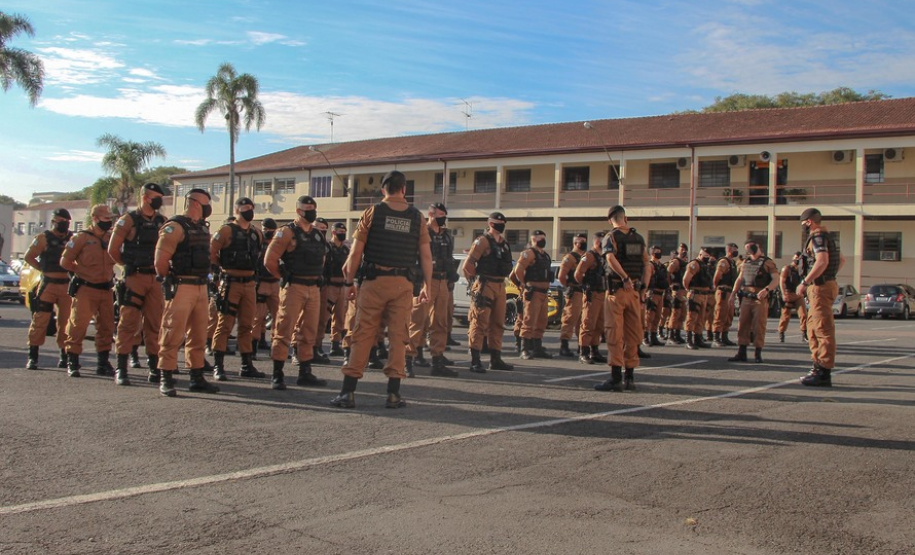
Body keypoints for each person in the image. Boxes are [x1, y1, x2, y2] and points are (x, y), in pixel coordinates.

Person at [330, 171, 433, 408]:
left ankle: (348, 393)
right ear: (404, 189)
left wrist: (349, 283)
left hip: (374, 282)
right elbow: (426, 256)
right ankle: (394, 394)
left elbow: (355, 254)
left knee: (363, 334)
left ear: (383, 190)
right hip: (403, 285)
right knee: (399, 337)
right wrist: (427, 285)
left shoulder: (373, 212)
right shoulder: (417, 217)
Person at [155, 188, 219, 396]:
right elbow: (161, 262)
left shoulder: (201, 227)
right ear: (194, 203)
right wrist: (172, 281)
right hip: (181, 286)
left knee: (199, 334)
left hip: (201, 287)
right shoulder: (175, 227)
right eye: (206, 202)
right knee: (172, 332)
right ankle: (166, 376)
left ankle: (196, 376)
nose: (209, 206)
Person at [264, 196, 329, 390]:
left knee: (308, 331)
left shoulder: (318, 234)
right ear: (298, 211)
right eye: (307, 208)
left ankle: (305, 372)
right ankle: (277, 374)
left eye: (313, 208)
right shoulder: (286, 232)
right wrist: (285, 278)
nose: (311, 211)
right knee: (284, 329)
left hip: (313, 288)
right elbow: (269, 260)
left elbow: (322, 259)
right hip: (294, 288)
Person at [108, 183, 166, 385]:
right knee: (128, 323)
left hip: (155, 279)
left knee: (155, 324)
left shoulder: (162, 221)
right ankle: (121, 368)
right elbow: (113, 250)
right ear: (146, 197)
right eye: (156, 196)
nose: (160, 200)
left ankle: (153, 368)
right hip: (134, 277)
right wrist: (128, 265)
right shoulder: (128, 220)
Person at [595, 205, 650, 391]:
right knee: (633, 334)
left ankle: (616, 378)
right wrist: (642, 288)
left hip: (617, 291)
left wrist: (624, 277)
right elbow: (647, 265)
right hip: (634, 292)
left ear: (611, 219)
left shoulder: (610, 237)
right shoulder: (638, 238)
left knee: (614, 333)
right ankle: (630, 378)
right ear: (625, 218)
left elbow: (610, 258)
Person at [210, 197, 264, 380]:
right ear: (236, 209)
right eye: (244, 207)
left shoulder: (257, 233)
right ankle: (218, 365)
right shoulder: (227, 230)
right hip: (231, 282)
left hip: (249, 283)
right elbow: (211, 251)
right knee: (225, 324)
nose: (248, 210)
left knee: (247, 325)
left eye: (250, 207)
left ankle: (246, 365)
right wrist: (221, 267)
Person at [60, 204, 116, 378]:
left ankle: (103, 362)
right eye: (106, 219)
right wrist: (81, 272)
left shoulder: (110, 238)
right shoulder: (81, 238)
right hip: (86, 288)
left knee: (106, 327)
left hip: (106, 289)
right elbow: (65, 261)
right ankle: (73, 361)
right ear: (95, 218)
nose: (109, 222)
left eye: (110, 219)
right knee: (78, 326)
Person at [406, 203, 458, 377]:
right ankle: (407, 361)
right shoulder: (420, 232)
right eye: (440, 214)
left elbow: (449, 258)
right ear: (430, 214)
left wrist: (451, 276)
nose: (443, 217)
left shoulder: (446, 235)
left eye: (444, 214)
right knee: (417, 321)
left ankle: (437, 361)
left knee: (440, 323)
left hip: (443, 281)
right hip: (425, 282)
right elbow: (413, 258)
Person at [797, 208, 844, 387]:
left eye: (803, 223)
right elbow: (840, 260)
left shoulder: (817, 237)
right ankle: (817, 367)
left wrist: (806, 281)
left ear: (809, 221)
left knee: (822, 329)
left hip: (819, 287)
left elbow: (822, 260)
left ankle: (823, 371)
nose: (802, 226)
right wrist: (829, 276)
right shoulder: (827, 237)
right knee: (813, 328)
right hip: (824, 284)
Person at [463, 212, 515, 373]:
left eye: (503, 222)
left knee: (498, 323)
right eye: (498, 222)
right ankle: (475, 360)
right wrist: (474, 284)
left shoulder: (504, 243)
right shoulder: (482, 241)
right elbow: (468, 265)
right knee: (479, 322)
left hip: (500, 285)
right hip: (485, 284)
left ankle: (495, 358)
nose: (501, 224)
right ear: (491, 223)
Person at [24, 208, 73, 370]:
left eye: (66, 222)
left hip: (66, 284)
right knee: (40, 320)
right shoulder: (44, 238)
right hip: (48, 285)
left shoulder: (72, 239)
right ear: (53, 222)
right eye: (61, 222)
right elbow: (28, 256)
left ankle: (64, 356)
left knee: (66, 322)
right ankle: (33, 356)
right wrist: (42, 269)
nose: (64, 225)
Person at [728, 241, 779, 364]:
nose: (749, 250)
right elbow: (740, 278)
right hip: (746, 297)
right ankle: (742, 352)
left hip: (759, 298)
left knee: (759, 325)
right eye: (747, 248)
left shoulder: (767, 262)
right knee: (743, 324)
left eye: (751, 247)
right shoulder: (745, 262)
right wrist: (733, 293)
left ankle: (758, 353)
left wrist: (767, 289)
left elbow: (776, 279)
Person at [511, 230, 553, 360]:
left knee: (542, 321)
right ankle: (524, 348)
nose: (543, 239)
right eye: (540, 237)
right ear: (534, 239)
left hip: (544, 293)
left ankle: (537, 348)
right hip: (533, 292)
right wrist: (523, 284)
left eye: (544, 237)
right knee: (528, 320)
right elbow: (517, 271)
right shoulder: (528, 253)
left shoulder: (545, 255)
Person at [573, 231, 608, 364]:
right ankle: (584, 352)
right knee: (588, 323)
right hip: (592, 293)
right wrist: (586, 285)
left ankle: (595, 350)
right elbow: (578, 274)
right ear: (598, 242)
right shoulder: (589, 256)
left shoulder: (602, 257)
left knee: (599, 324)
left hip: (602, 293)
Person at [252, 218, 280, 358]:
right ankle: (253, 349)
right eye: (265, 229)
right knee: (257, 317)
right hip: (261, 283)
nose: (268, 232)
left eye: (271, 230)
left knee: (278, 318)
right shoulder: (258, 244)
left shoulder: (278, 244)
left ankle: (276, 350)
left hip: (275, 283)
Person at [323, 222, 350, 357]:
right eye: (339, 231)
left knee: (340, 317)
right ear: (333, 232)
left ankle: (335, 343)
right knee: (324, 316)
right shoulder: (328, 247)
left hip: (342, 286)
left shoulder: (345, 250)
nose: (342, 233)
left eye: (343, 231)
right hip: (330, 285)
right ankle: (317, 345)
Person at [558, 233, 587, 358]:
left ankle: (581, 347)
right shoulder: (569, 258)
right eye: (581, 241)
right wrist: (569, 286)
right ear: (575, 243)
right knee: (569, 319)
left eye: (584, 241)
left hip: (584, 292)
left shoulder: (585, 257)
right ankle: (564, 346)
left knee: (583, 321)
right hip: (574, 291)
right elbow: (561, 276)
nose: (583, 243)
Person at [682, 247, 713, 349]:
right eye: (705, 256)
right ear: (700, 255)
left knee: (701, 318)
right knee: (692, 317)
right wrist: (689, 290)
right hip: (695, 293)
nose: (707, 258)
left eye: (708, 256)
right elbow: (686, 280)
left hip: (704, 294)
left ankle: (698, 338)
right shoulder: (694, 264)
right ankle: (689, 339)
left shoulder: (704, 265)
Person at [711, 243, 739, 347]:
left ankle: (724, 336)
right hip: (723, 291)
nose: (736, 251)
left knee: (729, 315)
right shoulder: (724, 262)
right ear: (729, 250)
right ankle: (716, 338)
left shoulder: (732, 262)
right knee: (720, 314)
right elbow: (717, 277)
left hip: (730, 292)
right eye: (734, 249)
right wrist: (716, 287)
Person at [779, 251, 808, 343]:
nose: (797, 260)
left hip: (798, 294)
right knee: (785, 316)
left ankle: (804, 334)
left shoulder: (801, 270)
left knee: (803, 314)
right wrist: (783, 293)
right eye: (796, 258)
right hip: (789, 293)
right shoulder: (787, 268)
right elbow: (782, 281)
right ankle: (781, 333)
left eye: (799, 258)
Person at [643, 244, 668, 347]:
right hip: (652, 293)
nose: (658, 253)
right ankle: (645, 337)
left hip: (660, 293)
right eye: (656, 251)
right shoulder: (650, 265)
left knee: (657, 316)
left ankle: (653, 336)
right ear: (652, 253)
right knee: (649, 316)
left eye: (659, 251)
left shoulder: (661, 266)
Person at [665, 244, 689, 345]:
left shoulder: (685, 262)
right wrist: (670, 285)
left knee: (682, 314)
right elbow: (668, 273)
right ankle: (671, 335)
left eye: (685, 249)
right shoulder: (675, 262)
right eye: (681, 249)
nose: (683, 251)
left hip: (683, 291)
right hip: (677, 290)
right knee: (675, 313)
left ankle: (677, 334)